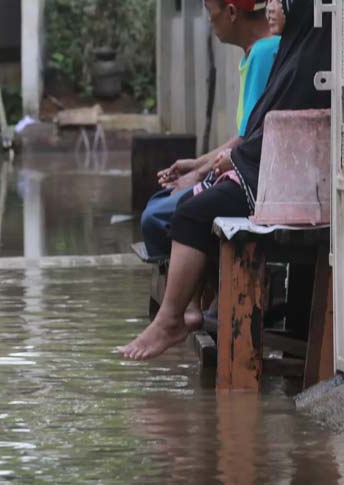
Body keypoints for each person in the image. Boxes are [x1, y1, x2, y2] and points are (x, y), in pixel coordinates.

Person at [121, 0, 331, 360]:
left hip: (286, 182)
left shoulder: (299, 55)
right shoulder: (292, 50)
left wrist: (217, 166)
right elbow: (255, 131)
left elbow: (263, 135)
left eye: (282, 3)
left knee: (186, 212)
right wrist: (212, 165)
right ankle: (192, 311)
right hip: (264, 168)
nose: (272, 8)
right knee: (179, 207)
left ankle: (175, 317)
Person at [141, 0, 280, 260]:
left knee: (156, 217)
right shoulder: (256, 52)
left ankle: (189, 296)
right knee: (159, 203)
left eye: (209, 12)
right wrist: (197, 165)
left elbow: (247, 140)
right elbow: (244, 133)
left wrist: (199, 173)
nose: (208, 20)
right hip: (243, 169)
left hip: (251, 179)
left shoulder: (264, 53)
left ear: (231, 12)